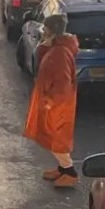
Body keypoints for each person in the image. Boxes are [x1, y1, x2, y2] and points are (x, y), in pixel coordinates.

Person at [23, 14, 80, 188]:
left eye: (46, 28)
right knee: (52, 137)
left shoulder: (61, 53)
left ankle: (70, 172)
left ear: (52, 30)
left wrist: (49, 102)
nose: (43, 30)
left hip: (57, 106)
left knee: (57, 139)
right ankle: (62, 169)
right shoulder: (56, 48)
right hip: (54, 103)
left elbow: (62, 83)